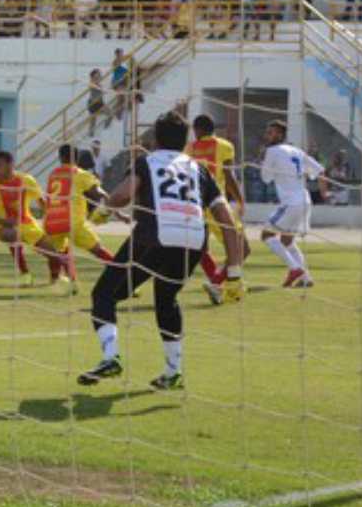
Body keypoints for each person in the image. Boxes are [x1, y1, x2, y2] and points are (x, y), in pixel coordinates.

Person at [78, 111, 247, 390]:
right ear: (185, 141)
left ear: (155, 139)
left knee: (104, 293)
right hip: (194, 241)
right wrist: (235, 273)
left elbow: (122, 195)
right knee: (166, 299)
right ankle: (173, 371)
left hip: (155, 235)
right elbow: (228, 223)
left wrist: (102, 213)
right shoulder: (200, 169)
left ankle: (111, 358)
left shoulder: (147, 161)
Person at [184, 113, 248, 303]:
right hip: (217, 206)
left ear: (197, 129)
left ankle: (218, 284)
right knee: (242, 248)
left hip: (195, 205)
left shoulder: (189, 148)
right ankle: (216, 283)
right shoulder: (225, 146)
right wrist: (240, 199)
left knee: (201, 248)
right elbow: (229, 176)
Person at [0, 151, 69, 283]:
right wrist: (4, 221)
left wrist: (52, 220)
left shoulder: (26, 180)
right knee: (11, 234)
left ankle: (57, 277)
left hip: (29, 225)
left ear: (11, 165)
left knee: (54, 252)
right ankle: (25, 274)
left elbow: (42, 202)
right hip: (4, 226)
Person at [41, 144, 118, 292]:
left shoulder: (53, 174)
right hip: (72, 221)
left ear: (60, 157)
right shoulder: (80, 173)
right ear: (77, 158)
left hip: (52, 221)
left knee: (58, 252)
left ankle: (63, 281)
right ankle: (123, 277)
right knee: (98, 250)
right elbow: (97, 193)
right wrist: (109, 205)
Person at [258, 120, 324, 288]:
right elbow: (319, 170)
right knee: (287, 241)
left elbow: (265, 179)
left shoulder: (271, 151)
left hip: (291, 203)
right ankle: (306, 278)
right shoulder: (297, 151)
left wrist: (265, 163)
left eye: (271, 132)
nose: (268, 135)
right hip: (305, 201)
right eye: (268, 132)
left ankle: (294, 269)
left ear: (280, 134)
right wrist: (324, 192)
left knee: (266, 235)